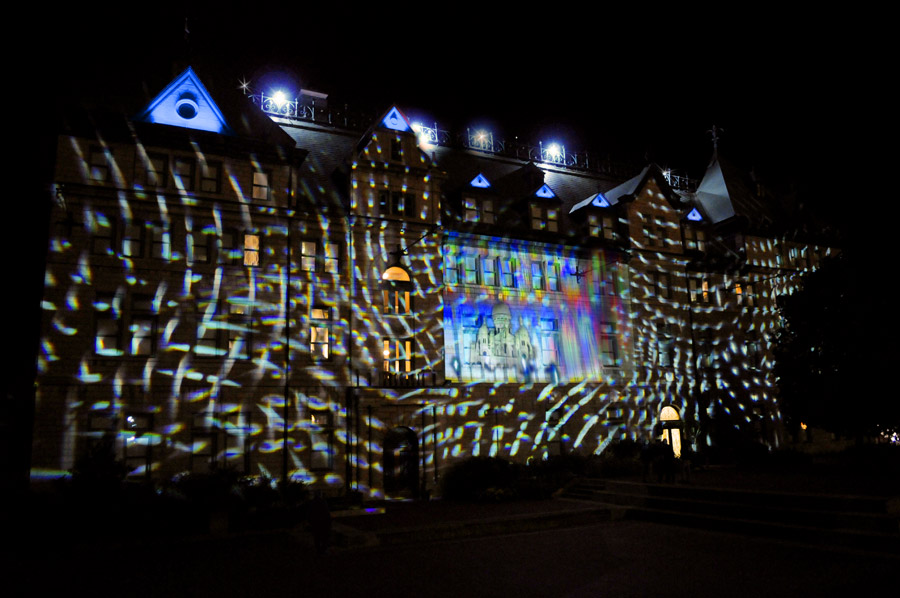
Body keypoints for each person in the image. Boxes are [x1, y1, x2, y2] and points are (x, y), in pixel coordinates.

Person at [308, 491, 331, 556]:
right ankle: (323, 550)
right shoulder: (323, 502)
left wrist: (310, 521)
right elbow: (326, 512)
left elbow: (309, 513)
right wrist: (328, 521)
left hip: (315, 522)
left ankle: (318, 550)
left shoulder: (312, 503)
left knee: (317, 537)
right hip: (322, 522)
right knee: (324, 537)